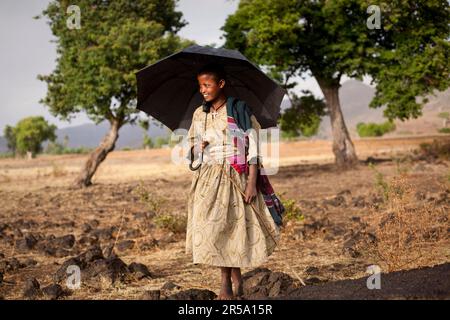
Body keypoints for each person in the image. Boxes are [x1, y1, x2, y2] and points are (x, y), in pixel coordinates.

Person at [185, 63, 280, 300]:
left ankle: (225, 283)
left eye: (207, 85)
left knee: (231, 228)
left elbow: (254, 147)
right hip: (207, 178)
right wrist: (198, 147)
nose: (203, 90)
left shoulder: (238, 110)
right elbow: (191, 147)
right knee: (214, 229)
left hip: (235, 175)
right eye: (200, 86)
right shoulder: (200, 114)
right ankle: (235, 277)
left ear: (221, 84)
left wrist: (251, 182)